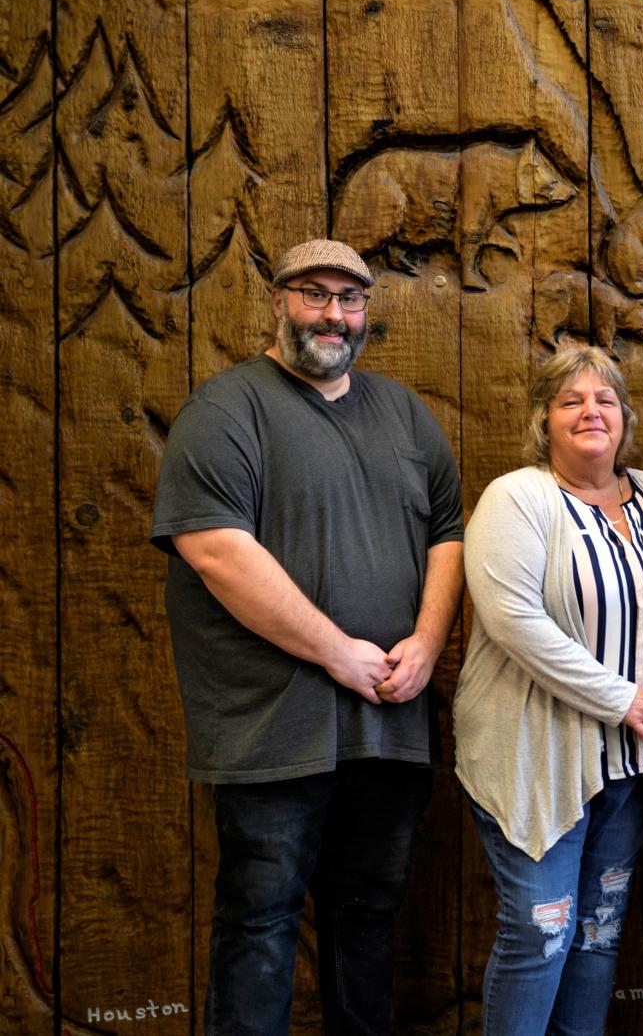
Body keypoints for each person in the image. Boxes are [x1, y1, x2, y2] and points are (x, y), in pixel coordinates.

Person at [151, 238, 465, 1035]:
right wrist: (336, 650)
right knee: (260, 919)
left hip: (389, 719)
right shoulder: (225, 410)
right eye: (315, 294)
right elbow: (216, 549)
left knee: (367, 917)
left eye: (350, 299)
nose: (334, 314)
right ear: (279, 300)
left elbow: (448, 533)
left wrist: (426, 643)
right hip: (271, 724)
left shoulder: (404, 413)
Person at [455, 346, 643, 1035]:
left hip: (629, 761)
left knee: (596, 932)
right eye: (572, 401)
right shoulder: (518, 496)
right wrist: (626, 699)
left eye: (605, 400)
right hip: (535, 757)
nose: (592, 411)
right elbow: (513, 621)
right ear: (545, 420)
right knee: (542, 935)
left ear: (625, 416)